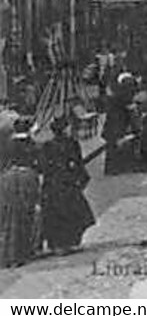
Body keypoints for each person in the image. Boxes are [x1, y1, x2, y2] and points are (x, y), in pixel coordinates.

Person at [37, 114, 95, 253]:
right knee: (72, 211)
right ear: (65, 129)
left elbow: (43, 166)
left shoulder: (47, 145)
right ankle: (70, 241)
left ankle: (57, 244)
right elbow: (78, 162)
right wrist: (82, 179)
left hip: (52, 183)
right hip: (68, 182)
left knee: (55, 213)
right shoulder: (72, 143)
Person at [0, 126, 41, 267]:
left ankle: (7, 255)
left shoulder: (8, 144)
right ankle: (21, 253)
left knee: (7, 223)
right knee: (23, 221)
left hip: (9, 180)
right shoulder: (31, 144)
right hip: (25, 178)